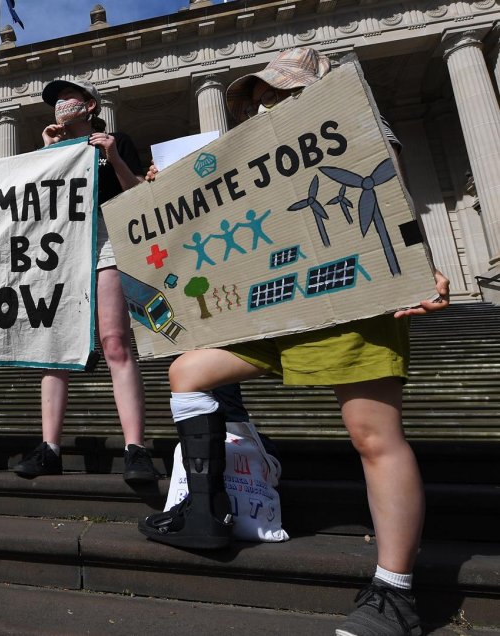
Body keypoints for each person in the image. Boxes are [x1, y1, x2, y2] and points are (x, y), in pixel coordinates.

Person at [135, 47, 448, 636]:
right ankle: (206, 509)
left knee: (373, 436)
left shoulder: (350, 117)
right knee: (189, 372)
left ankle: (396, 591)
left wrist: (415, 264)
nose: (267, 104)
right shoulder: (252, 147)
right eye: (260, 97)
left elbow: (390, 190)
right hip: (277, 305)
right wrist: (163, 192)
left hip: (350, 291)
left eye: (280, 92)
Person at [12, 80, 158, 484]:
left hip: (106, 240)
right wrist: (47, 152)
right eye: (54, 101)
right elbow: (33, 202)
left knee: (114, 341)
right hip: (59, 249)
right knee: (54, 346)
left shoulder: (117, 141)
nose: (60, 105)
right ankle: (50, 447)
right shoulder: (53, 148)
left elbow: (137, 194)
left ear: (90, 105)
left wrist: (112, 156)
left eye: (66, 98)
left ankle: (135, 447)